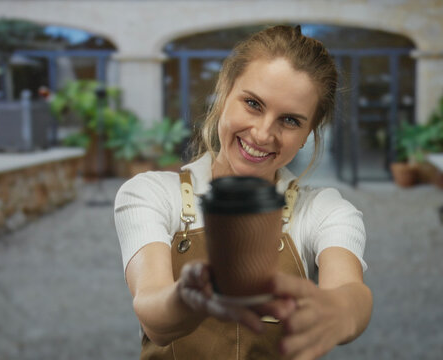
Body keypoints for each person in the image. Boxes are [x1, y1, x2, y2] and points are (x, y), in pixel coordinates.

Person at [115, 25, 372, 359]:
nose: (263, 134)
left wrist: (339, 311)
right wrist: (187, 298)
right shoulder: (151, 195)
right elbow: (153, 315)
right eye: (253, 103)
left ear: (310, 132)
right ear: (224, 92)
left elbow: (352, 292)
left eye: (290, 121)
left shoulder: (325, 211)